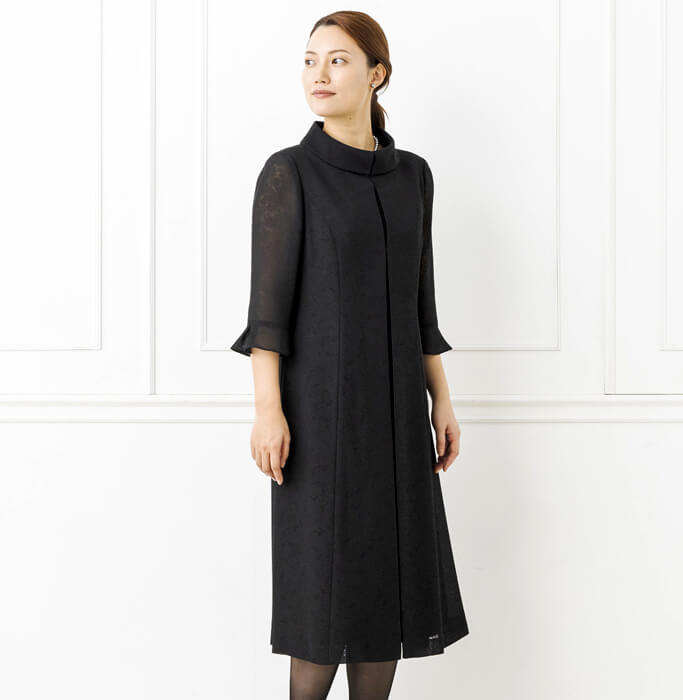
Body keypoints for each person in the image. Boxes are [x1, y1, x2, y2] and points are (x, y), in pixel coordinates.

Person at [231, 11, 469, 700]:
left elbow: (420, 303)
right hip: (319, 420)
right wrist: (268, 411)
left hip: (396, 417)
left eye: (337, 60)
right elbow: (268, 314)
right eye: (310, 60)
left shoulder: (413, 177)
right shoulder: (289, 173)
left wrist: (442, 399)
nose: (319, 74)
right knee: (321, 608)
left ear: (376, 74)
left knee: (384, 601)